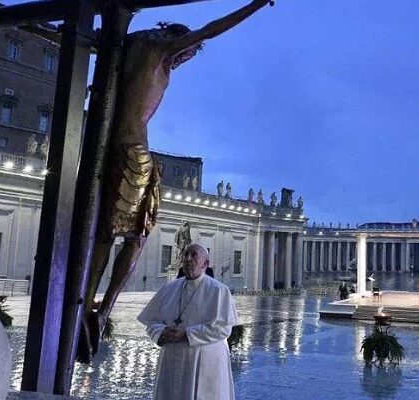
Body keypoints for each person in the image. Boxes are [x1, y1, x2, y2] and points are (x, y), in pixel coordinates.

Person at [78, 0, 274, 362]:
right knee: (135, 238)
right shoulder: (160, 47)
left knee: (105, 232)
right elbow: (213, 27)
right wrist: (256, 6)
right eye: (187, 55)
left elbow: (81, 43)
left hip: (104, 143)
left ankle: (83, 304)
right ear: (180, 43)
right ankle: (101, 312)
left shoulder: (129, 44)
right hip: (133, 149)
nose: (183, 62)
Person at [138, 244, 240, 400]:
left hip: (203, 361)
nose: (188, 259)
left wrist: (187, 334)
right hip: (171, 358)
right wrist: (160, 332)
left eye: (194, 255)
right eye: (185, 255)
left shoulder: (219, 291)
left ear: (205, 264)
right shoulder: (169, 289)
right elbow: (151, 321)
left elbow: (223, 329)